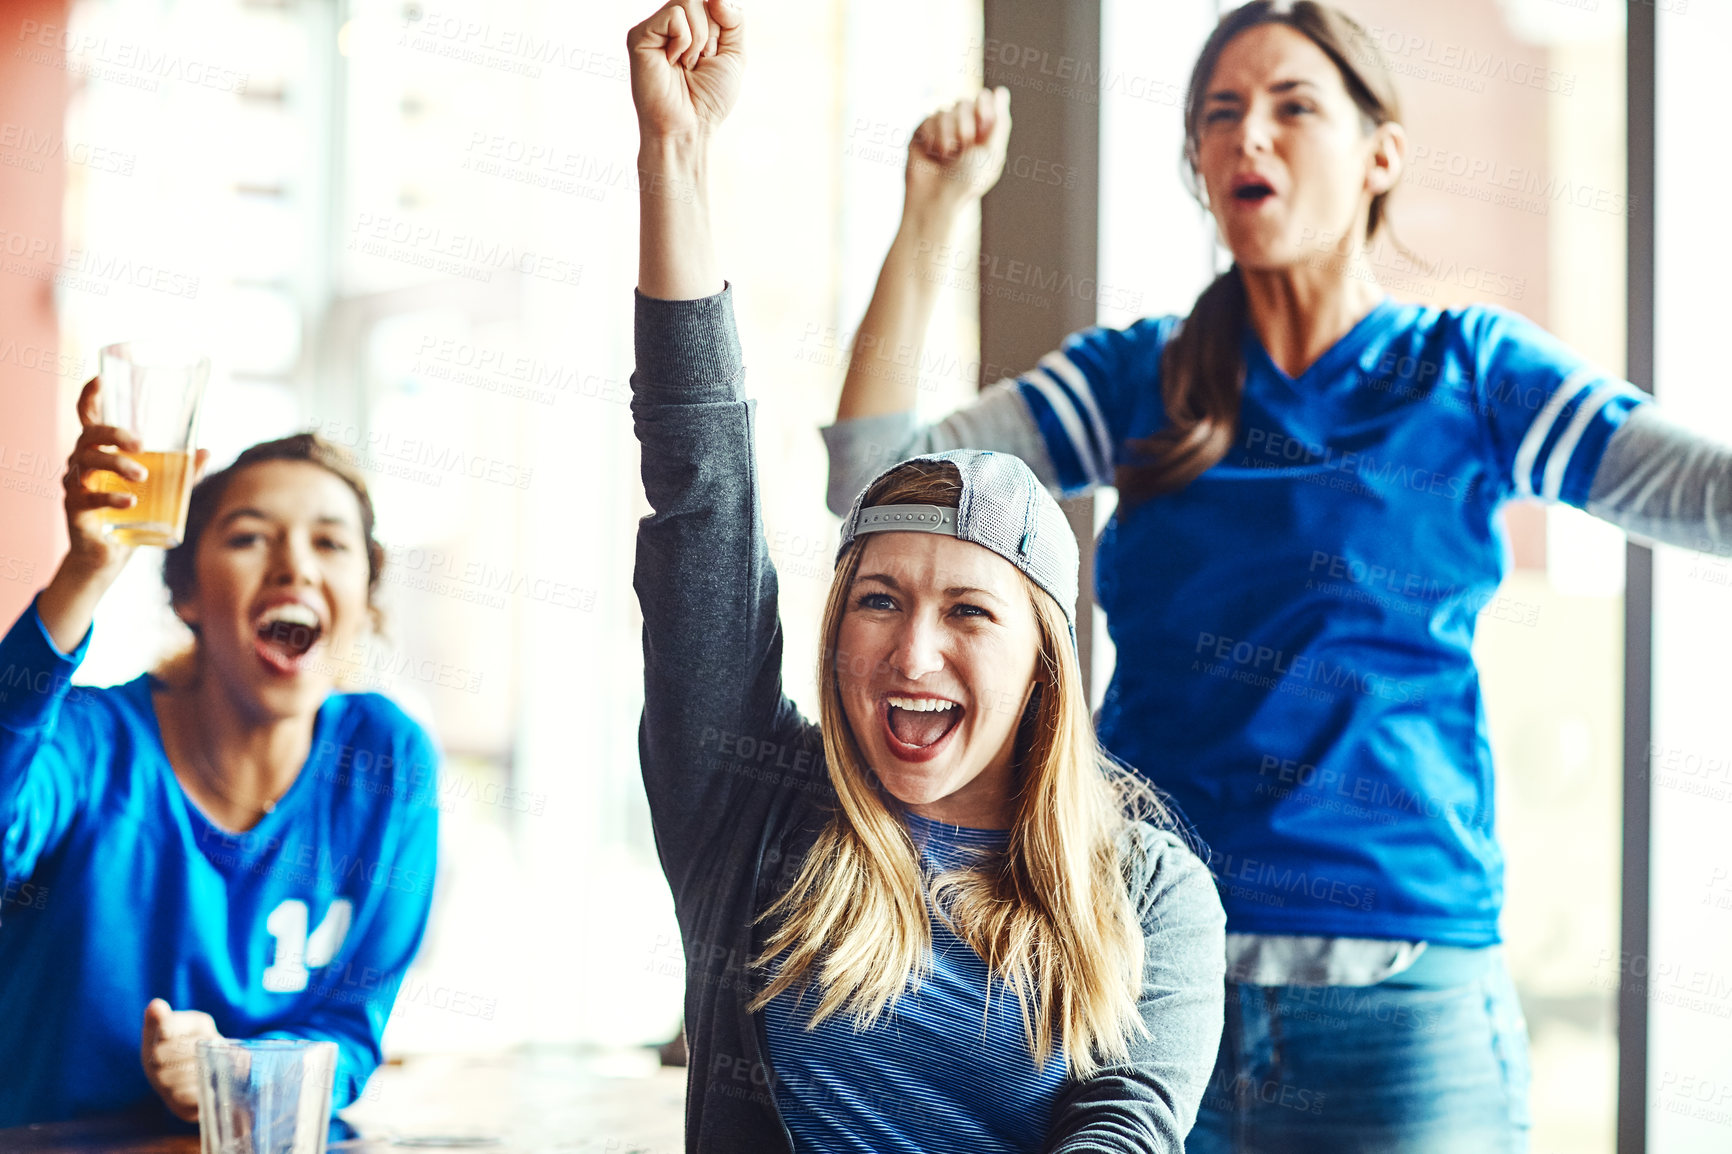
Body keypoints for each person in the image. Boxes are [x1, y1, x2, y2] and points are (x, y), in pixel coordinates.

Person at [822, 2, 1732, 1150]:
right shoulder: (1135, 378)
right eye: (1219, 114)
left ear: (1380, 154)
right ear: (1201, 165)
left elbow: (1705, 493)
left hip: (1402, 1003)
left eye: (1293, 106)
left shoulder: (1468, 374)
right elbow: (872, 486)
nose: (1249, 134)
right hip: (1142, 980)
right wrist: (933, 212)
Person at [626, 2, 1226, 1150]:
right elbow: (699, 491)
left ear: (1044, 659)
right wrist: (674, 155)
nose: (911, 651)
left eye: (967, 610)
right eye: (878, 599)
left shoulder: (1150, 892)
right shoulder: (749, 801)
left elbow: (1127, 1126)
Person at [0, 380, 439, 1127]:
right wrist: (84, 575)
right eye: (248, 536)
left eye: (330, 542)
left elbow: (350, 1034)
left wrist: (242, 1075)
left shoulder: (385, 760)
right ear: (187, 594)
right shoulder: (91, 742)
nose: (295, 566)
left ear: (366, 596)